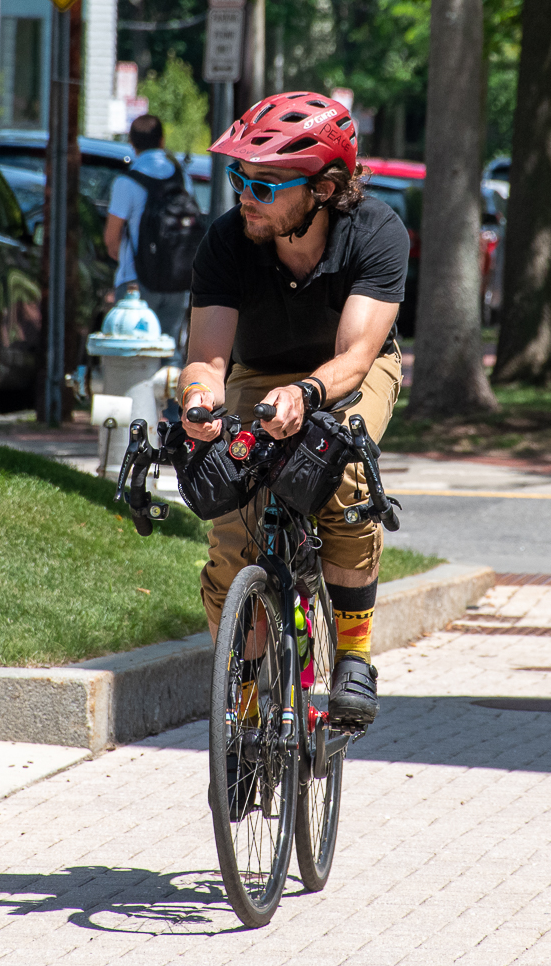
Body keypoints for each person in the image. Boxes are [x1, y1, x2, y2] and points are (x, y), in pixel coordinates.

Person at [179, 92, 408, 727]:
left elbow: (356, 359)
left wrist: (306, 396)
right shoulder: (227, 241)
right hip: (259, 370)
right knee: (234, 530)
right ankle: (248, 707)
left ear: (327, 188)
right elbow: (206, 360)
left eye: (265, 184)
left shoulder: (378, 232)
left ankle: (354, 657)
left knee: (344, 470)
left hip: (350, 369)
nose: (245, 196)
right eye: (238, 180)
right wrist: (200, 402)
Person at [103, 114, 193, 345]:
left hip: (135, 283)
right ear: (162, 141)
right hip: (177, 279)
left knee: (131, 355)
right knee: (169, 353)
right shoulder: (182, 177)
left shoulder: (127, 182)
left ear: (131, 144)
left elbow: (112, 238)